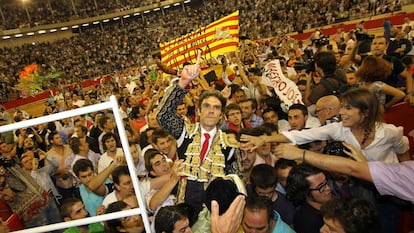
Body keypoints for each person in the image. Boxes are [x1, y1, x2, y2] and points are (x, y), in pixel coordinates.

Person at [156, 54, 242, 217]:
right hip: (186, 204)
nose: (211, 110)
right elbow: (163, 115)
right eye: (207, 106)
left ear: (221, 115)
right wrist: (184, 82)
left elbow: (236, 177)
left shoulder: (230, 142)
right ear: (198, 111)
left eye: (216, 108)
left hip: (216, 208)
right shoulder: (185, 131)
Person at [241, 88, 410, 163]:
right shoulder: (338, 129)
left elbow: (403, 152)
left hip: (388, 193)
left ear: (365, 112)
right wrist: (263, 139)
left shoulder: (390, 132)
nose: (341, 112)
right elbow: (299, 135)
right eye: (342, 107)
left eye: (348, 108)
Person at [274, 143, 414, 203]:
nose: (341, 171)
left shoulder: (365, 182)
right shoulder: (322, 183)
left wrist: (300, 154)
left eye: (344, 162)